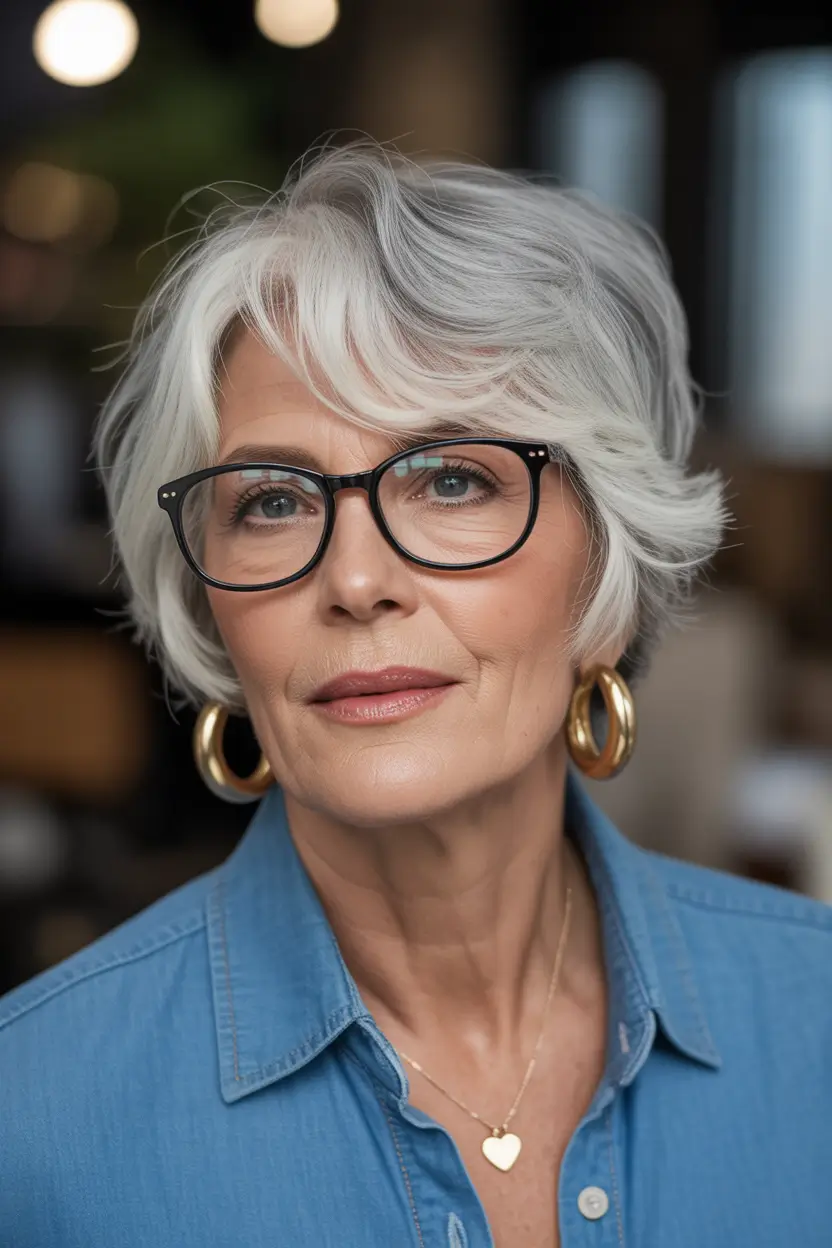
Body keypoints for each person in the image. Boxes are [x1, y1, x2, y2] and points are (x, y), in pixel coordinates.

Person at [2, 141, 831, 1248]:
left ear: (609, 582)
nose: (354, 582)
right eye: (273, 501)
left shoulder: (812, 1017)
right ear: (211, 607)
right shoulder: (33, 1119)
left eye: (453, 479)